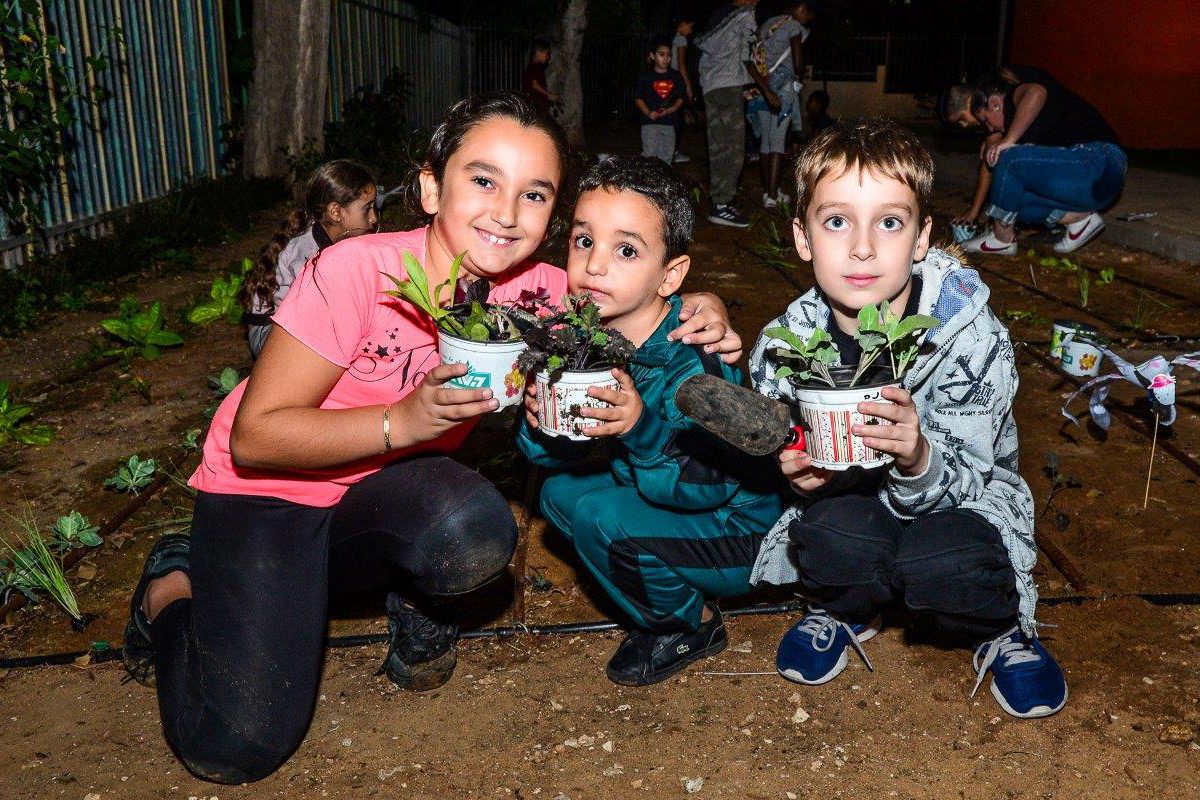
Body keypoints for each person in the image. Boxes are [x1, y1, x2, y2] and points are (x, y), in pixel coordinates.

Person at [122, 92, 744, 785]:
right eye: (483, 180)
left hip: (388, 499)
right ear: (428, 187)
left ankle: (412, 596)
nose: (506, 213)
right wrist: (403, 422)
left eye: (534, 194)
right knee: (233, 747)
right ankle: (173, 586)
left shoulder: (537, 288)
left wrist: (699, 306)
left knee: (472, 529)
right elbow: (257, 438)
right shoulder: (356, 272)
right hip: (273, 490)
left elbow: (634, 290)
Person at [744, 120, 1067, 719]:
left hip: (960, 507)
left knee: (941, 559)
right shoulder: (785, 346)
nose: (862, 247)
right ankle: (843, 607)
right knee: (829, 533)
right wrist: (798, 474)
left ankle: (1000, 625)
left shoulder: (970, 336)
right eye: (836, 221)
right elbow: (784, 445)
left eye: (889, 222)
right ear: (803, 237)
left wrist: (918, 458)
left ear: (921, 238)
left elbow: (976, 471)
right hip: (858, 505)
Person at [517, 156, 784, 686]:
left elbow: (708, 487)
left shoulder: (697, 357)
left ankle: (689, 624)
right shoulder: (583, 337)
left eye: (626, 250)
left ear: (671, 275)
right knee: (558, 493)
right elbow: (550, 452)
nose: (594, 266)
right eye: (584, 241)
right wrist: (542, 421)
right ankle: (668, 577)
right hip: (661, 490)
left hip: (742, 533)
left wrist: (638, 429)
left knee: (600, 517)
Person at [941, 66, 1126, 255]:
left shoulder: (1014, 97)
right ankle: (1078, 220)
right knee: (1012, 200)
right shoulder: (1022, 124)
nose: (989, 129)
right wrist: (975, 209)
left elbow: (1037, 92)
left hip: (1102, 162)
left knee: (1008, 157)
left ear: (995, 104)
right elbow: (990, 163)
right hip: (1091, 190)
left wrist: (1009, 141)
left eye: (987, 122)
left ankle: (1001, 238)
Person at [241, 160, 378, 359]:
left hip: (289, 327)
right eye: (367, 209)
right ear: (335, 212)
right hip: (269, 337)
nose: (374, 218)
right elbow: (317, 311)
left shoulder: (328, 233)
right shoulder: (308, 253)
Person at [696, 0, 759, 228]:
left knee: (718, 146)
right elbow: (746, 57)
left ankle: (720, 202)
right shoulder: (745, 15)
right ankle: (722, 205)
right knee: (734, 148)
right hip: (728, 85)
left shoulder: (718, 14)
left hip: (711, 85)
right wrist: (764, 87)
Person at [750, 1, 815, 208]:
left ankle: (768, 191)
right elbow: (797, 61)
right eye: (807, 14)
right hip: (782, 90)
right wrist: (798, 78)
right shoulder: (794, 26)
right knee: (778, 142)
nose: (807, 19)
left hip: (761, 88)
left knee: (766, 143)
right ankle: (772, 195)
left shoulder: (768, 24)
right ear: (800, 8)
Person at [635, 36, 687, 164]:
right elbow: (638, 98)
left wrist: (670, 110)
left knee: (667, 157)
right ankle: (648, 183)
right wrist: (648, 112)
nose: (666, 58)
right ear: (652, 56)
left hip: (669, 123)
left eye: (668, 55)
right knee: (650, 156)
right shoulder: (645, 76)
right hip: (649, 123)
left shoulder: (675, 76)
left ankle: (664, 183)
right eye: (661, 54)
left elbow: (680, 98)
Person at [670, 15, 696, 164]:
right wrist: (687, 86)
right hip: (676, 83)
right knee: (678, 119)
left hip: (667, 81)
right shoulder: (680, 39)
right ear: (682, 24)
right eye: (689, 26)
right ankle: (673, 151)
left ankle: (670, 150)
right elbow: (681, 65)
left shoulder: (671, 38)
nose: (690, 31)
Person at [522, 37, 558, 112]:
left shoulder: (533, 68)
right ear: (538, 53)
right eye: (546, 53)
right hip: (536, 106)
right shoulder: (534, 68)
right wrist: (548, 94)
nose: (548, 57)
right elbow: (535, 85)